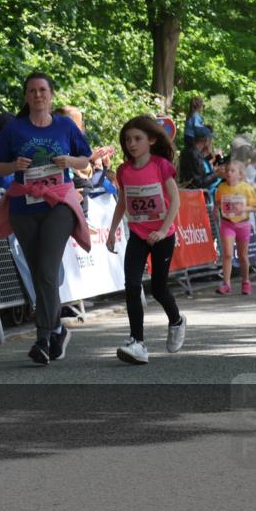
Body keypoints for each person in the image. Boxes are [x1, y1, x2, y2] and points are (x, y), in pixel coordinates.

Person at [0, 72, 92, 365]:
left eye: (43, 90)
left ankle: (43, 337)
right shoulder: (14, 129)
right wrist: (13, 165)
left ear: (51, 95)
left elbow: (85, 158)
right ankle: (58, 329)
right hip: (24, 205)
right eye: (32, 91)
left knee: (47, 270)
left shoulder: (64, 125)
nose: (38, 95)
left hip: (58, 203)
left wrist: (69, 161)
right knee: (39, 274)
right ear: (26, 97)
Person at [106, 115, 185, 365]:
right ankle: (137, 342)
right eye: (127, 139)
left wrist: (162, 230)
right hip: (139, 235)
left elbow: (175, 201)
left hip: (163, 235)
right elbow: (123, 201)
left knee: (159, 289)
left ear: (151, 140)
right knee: (131, 284)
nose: (131, 144)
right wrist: (111, 231)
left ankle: (177, 321)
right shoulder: (124, 170)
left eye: (137, 138)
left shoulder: (161, 166)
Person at [214, 160, 256, 295]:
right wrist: (216, 209)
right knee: (227, 254)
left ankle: (246, 281)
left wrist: (244, 207)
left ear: (240, 175)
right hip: (227, 223)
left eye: (232, 170)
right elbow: (218, 201)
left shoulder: (246, 188)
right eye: (227, 170)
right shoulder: (222, 187)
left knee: (242, 256)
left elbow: (255, 207)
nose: (228, 172)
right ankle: (226, 284)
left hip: (243, 224)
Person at [178, 126, 223, 193]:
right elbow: (199, 183)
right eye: (210, 139)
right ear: (206, 139)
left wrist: (214, 173)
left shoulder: (187, 152)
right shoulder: (194, 155)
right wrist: (216, 174)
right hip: (193, 197)